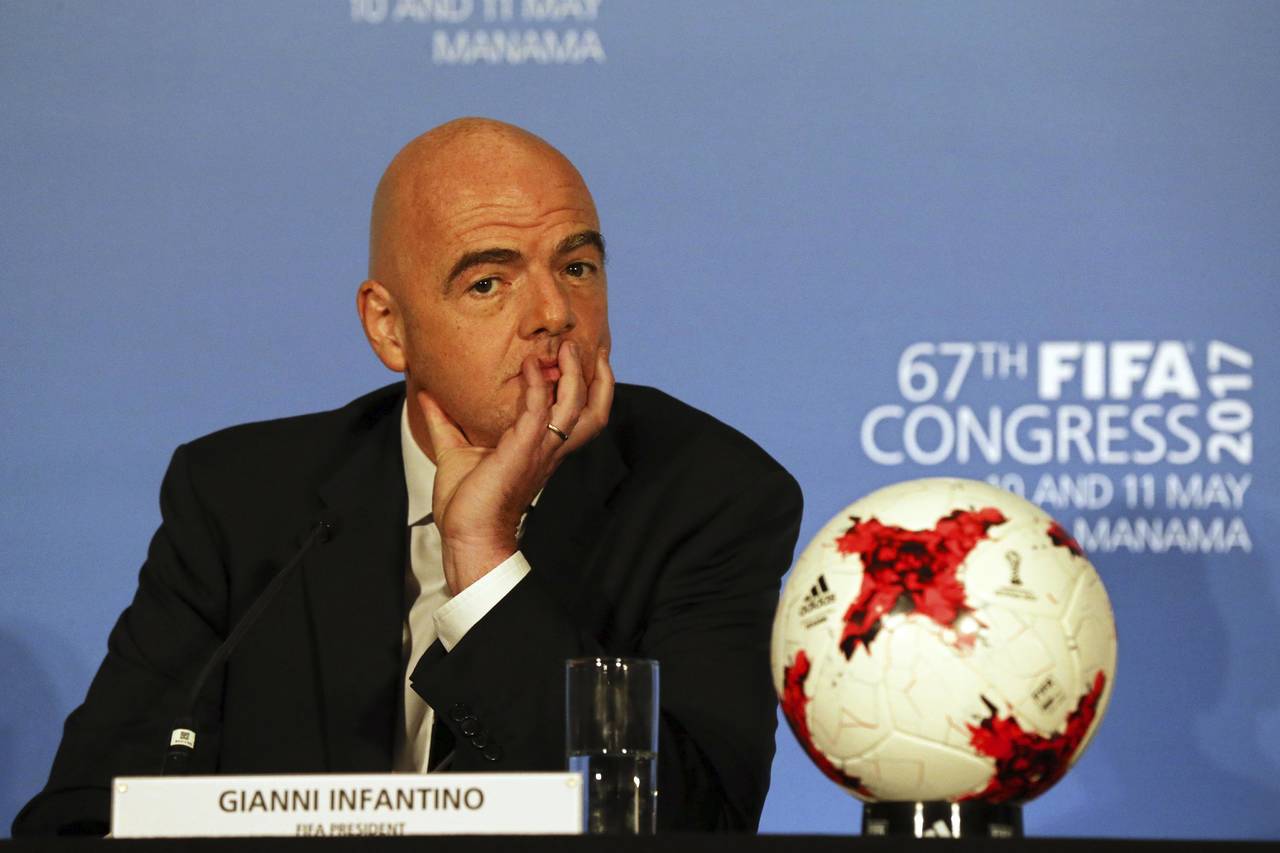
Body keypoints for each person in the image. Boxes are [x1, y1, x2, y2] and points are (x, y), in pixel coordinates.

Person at [13, 118, 803, 836]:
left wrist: (485, 558)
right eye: (488, 282)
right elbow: (84, 816)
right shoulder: (240, 503)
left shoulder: (710, 494)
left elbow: (694, 823)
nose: (554, 312)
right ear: (389, 327)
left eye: (577, 266)